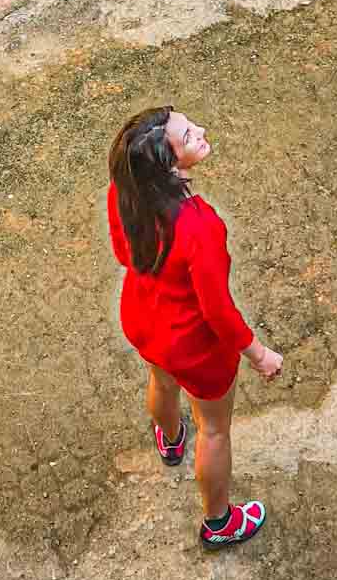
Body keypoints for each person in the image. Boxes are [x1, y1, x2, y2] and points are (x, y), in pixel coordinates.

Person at [107, 106, 283, 550]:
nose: (200, 131)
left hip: (144, 322)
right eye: (188, 135)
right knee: (215, 430)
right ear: (169, 164)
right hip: (196, 349)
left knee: (161, 382)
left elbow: (123, 253)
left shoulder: (123, 192)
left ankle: (169, 440)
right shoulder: (200, 227)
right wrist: (259, 354)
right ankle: (219, 522)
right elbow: (217, 311)